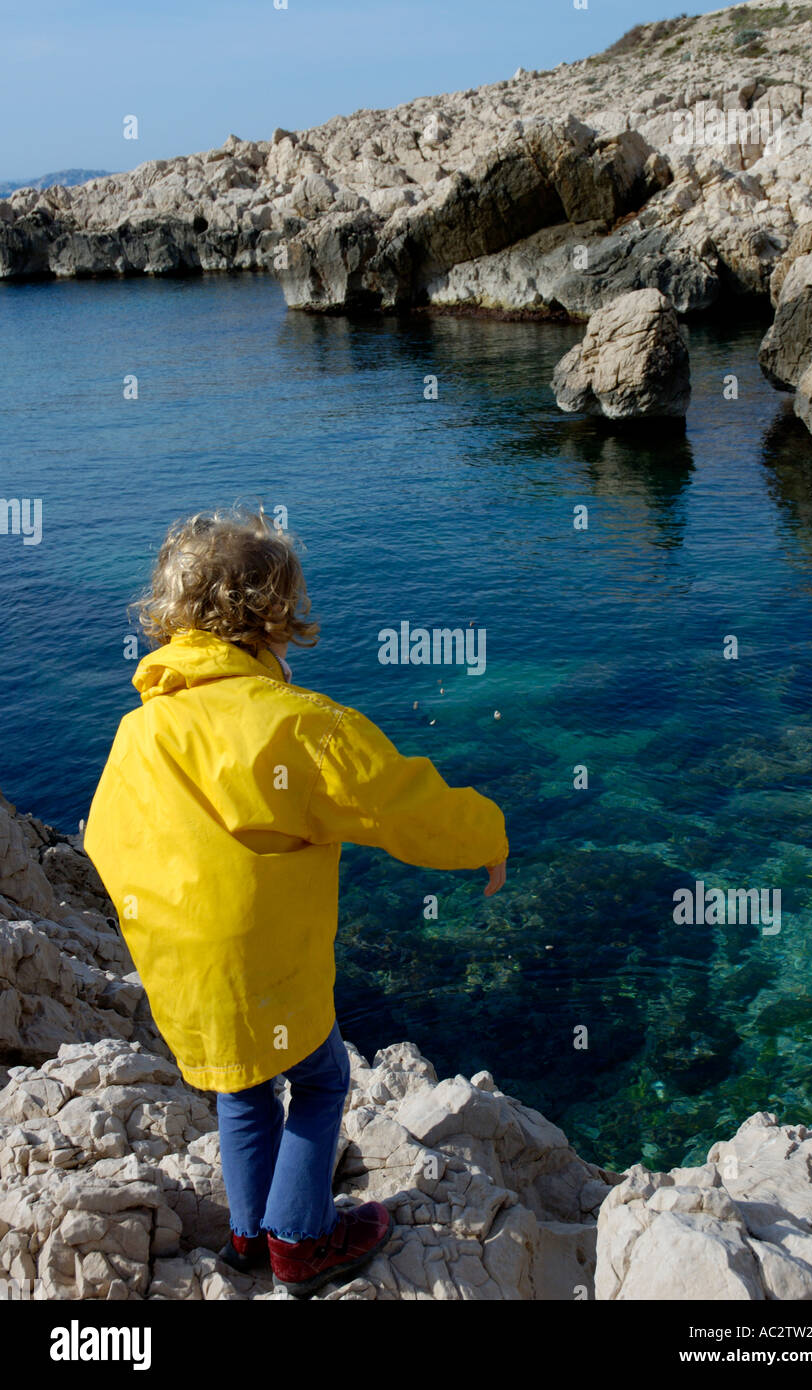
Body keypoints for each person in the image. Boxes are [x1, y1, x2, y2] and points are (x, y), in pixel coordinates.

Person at [83, 506, 508, 1297]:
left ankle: (248, 1232)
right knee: (320, 1081)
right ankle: (300, 1243)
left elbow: (104, 839)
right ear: (275, 617)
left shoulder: (138, 733)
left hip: (189, 975)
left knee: (242, 1090)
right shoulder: (299, 726)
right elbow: (400, 805)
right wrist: (484, 834)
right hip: (272, 971)